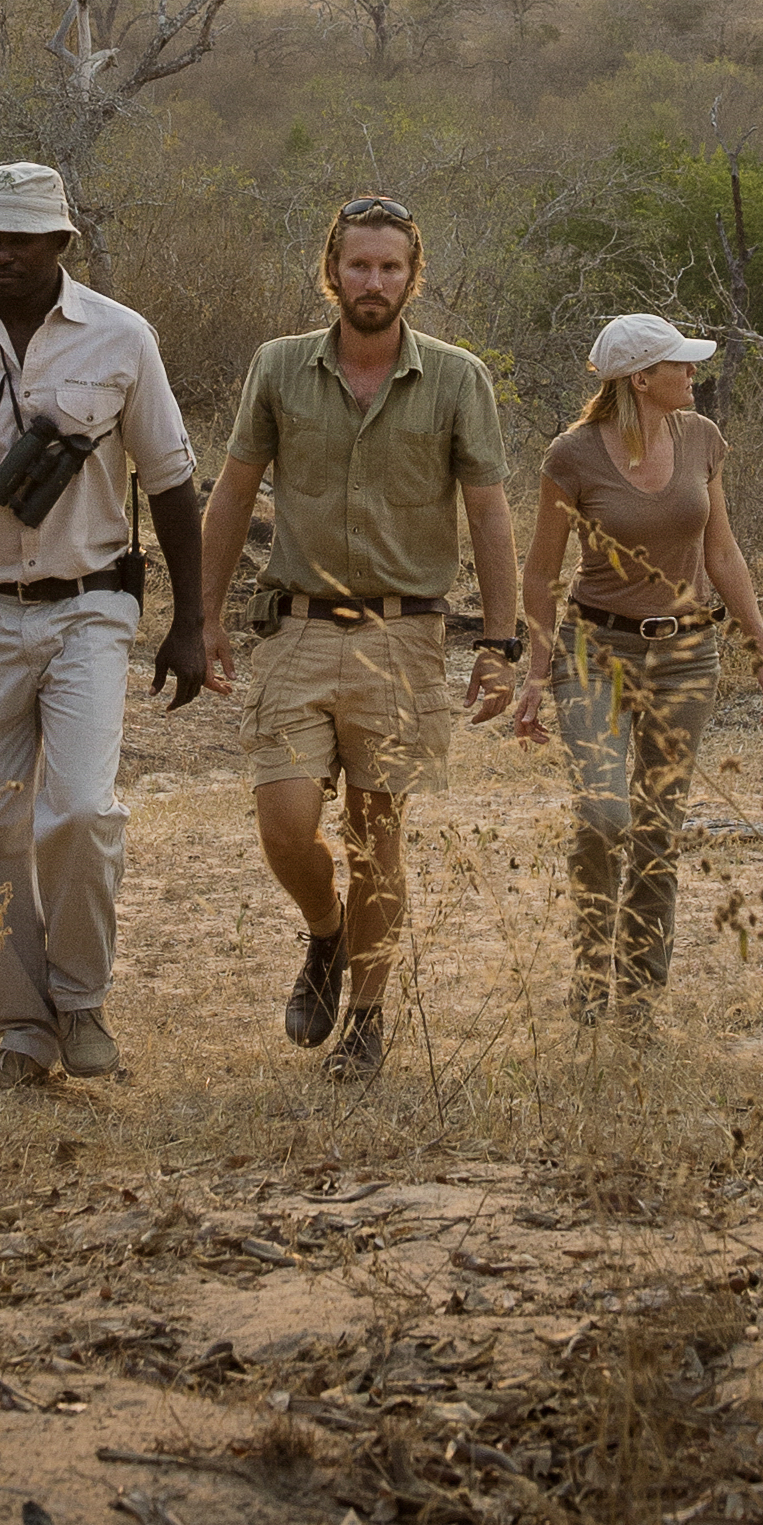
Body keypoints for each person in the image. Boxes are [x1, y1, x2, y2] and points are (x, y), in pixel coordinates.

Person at [0, 163, 211, 1091]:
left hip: (91, 606)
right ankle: (22, 1027)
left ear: (63, 243)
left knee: (78, 811)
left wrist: (190, 623)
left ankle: (82, 998)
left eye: (23, 238)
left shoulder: (121, 337)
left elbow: (173, 478)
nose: (2, 253)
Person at [197, 196, 518, 1086]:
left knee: (380, 837)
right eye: (358, 265)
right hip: (296, 628)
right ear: (330, 271)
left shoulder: (458, 379)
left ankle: (367, 1025)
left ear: (415, 277)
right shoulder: (279, 368)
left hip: (403, 636)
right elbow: (232, 492)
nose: (373, 282)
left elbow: (489, 510)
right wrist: (202, 616)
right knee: (286, 820)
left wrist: (501, 642)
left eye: (391, 267)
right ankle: (326, 933)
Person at [503, 315, 763, 1030]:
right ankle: (591, 968)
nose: (692, 375)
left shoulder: (700, 440)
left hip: (687, 654)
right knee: (605, 816)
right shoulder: (572, 457)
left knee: (658, 825)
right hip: (594, 650)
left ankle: (638, 994)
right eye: (678, 365)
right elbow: (538, 573)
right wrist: (536, 673)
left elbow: (723, 555)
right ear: (639, 378)